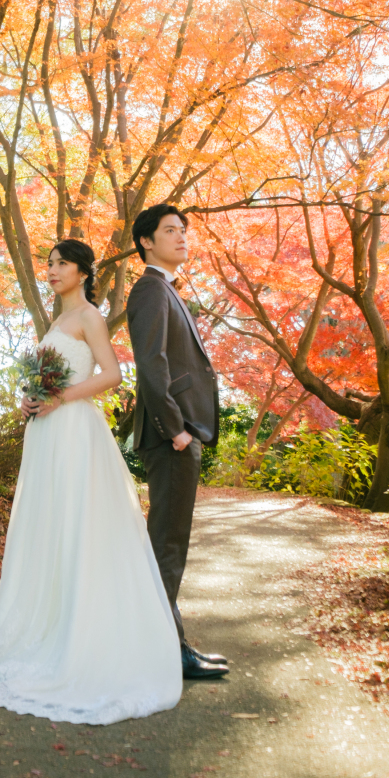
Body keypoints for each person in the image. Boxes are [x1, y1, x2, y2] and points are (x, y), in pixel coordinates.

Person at [0, 239, 183, 724]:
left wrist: (59, 398)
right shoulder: (53, 323)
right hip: (45, 434)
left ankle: (80, 639)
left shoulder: (89, 315)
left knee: (76, 527)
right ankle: (42, 628)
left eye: (61, 263)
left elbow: (112, 374)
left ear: (84, 272)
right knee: (46, 528)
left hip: (74, 434)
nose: (51, 270)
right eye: (48, 263)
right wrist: (29, 399)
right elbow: (45, 381)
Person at [126, 203, 229, 680]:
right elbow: (152, 363)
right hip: (171, 437)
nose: (182, 236)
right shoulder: (149, 290)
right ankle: (166, 651)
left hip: (179, 435)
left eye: (184, 230)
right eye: (170, 230)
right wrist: (178, 430)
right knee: (168, 544)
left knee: (170, 543)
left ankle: (170, 643)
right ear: (146, 241)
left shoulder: (166, 289)